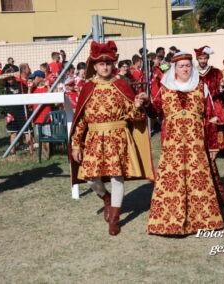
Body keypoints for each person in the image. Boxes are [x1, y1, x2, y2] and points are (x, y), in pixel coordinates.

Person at [69, 41, 154, 236]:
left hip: (118, 137)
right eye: (101, 64)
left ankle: (115, 218)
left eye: (108, 63)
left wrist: (139, 105)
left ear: (112, 65)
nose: (105, 67)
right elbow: (81, 119)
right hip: (94, 137)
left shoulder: (122, 84)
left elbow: (135, 116)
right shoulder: (88, 87)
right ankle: (106, 197)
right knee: (90, 176)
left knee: (117, 175)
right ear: (95, 66)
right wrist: (76, 144)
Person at [144, 52, 224, 235]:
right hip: (171, 145)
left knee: (198, 181)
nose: (185, 69)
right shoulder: (165, 87)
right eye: (181, 66)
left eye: (188, 65)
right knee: (171, 183)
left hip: (196, 144)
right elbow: (154, 112)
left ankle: (202, 221)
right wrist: (145, 104)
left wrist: (213, 144)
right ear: (175, 68)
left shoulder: (201, 86)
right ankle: (169, 223)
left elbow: (211, 116)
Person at [195, 46, 224, 150]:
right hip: (198, 104)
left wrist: (222, 85)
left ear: (208, 58)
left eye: (205, 58)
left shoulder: (215, 72)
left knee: (214, 125)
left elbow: (223, 88)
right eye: (200, 58)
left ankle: (216, 147)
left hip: (213, 104)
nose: (203, 61)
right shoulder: (193, 73)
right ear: (197, 59)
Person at [0, 68, 31, 155]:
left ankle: (30, 150)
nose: (9, 80)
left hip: (22, 111)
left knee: (26, 132)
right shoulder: (6, 85)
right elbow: (0, 77)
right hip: (12, 112)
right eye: (8, 79)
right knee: (13, 133)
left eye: (11, 78)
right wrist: (12, 74)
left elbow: (28, 93)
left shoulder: (20, 84)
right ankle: (12, 151)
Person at [28, 70, 51, 156]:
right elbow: (29, 103)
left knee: (47, 136)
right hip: (37, 117)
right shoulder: (34, 89)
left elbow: (51, 98)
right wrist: (29, 88)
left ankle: (48, 153)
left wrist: (48, 85)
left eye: (34, 78)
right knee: (40, 136)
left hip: (46, 116)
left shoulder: (46, 88)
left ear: (40, 78)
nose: (33, 80)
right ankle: (43, 153)